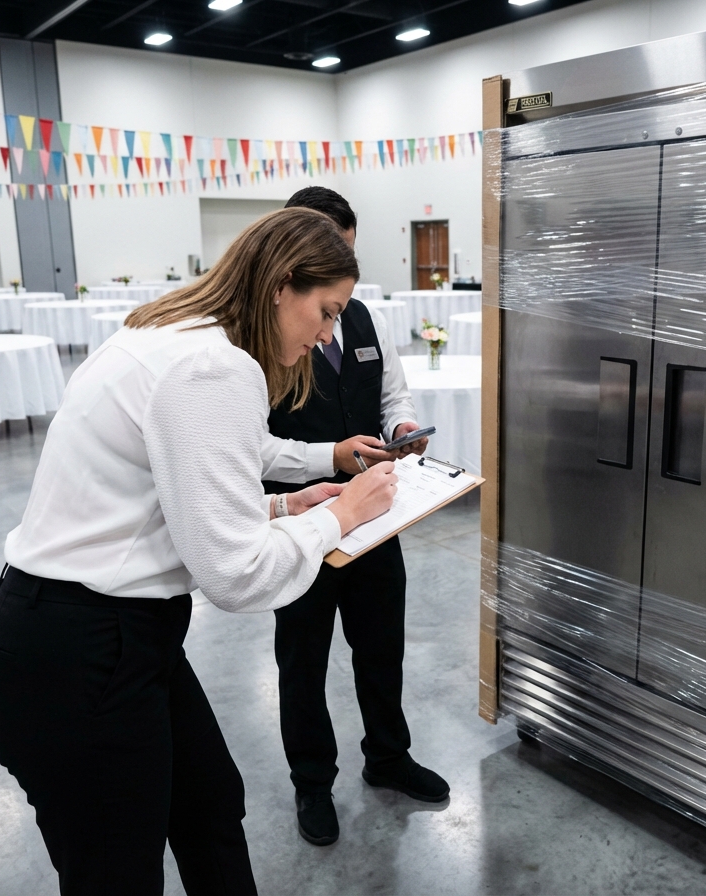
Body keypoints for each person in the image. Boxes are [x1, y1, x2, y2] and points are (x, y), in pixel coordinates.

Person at [0, 208, 398, 895]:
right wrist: (342, 515)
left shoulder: (171, 333)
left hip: (101, 635)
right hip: (80, 650)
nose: (327, 333)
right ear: (282, 283)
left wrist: (286, 504)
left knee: (208, 807)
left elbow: (170, 497)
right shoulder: (211, 366)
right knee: (118, 870)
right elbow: (234, 573)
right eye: (326, 311)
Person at [261, 186, 447, 848]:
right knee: (302, 661)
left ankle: (387, 756)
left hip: (374, 519)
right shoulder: (264, 335)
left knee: (381, 646)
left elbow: (391, 387)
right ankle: (312, 781)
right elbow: (253, 443)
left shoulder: (365, 319)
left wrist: (400, 422)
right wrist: (327, 455)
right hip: (304, 523)